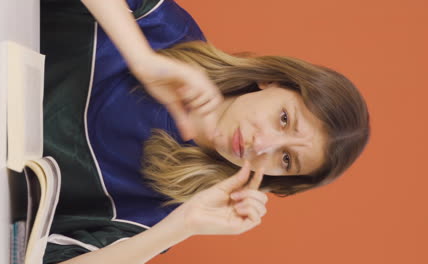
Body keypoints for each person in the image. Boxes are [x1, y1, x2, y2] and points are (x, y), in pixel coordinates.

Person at [40, 0, 370, 263]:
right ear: (274, 81)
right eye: (284, 119)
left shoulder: (170, 210)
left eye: (286, 159)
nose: (263, 144)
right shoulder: (164, 29)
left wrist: (182, 227)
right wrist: (140, 58)